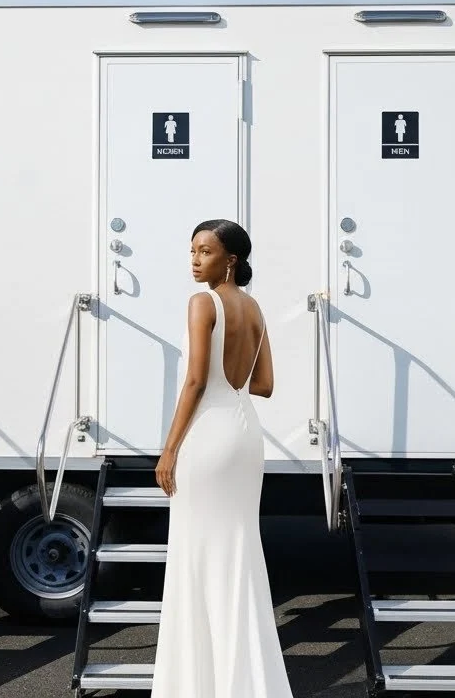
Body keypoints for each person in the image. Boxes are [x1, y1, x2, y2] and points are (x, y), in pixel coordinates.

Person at [150, 219, 294, 697]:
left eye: (204, 251)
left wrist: (169, 449)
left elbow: (194, 381)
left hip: (208, 436)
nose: (194, 259)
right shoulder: (254, 309)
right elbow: (265, 385)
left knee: (196, 555)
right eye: (191, 250)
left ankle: (197, 685)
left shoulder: (203, 302)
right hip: (245, 432)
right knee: (237, 553)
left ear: (229, 259)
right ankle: (246, 682)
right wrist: (229, 383)